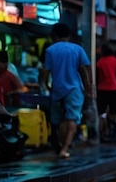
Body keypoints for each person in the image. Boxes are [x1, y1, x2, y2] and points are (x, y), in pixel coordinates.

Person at [39, 23, 91, 159]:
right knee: (72, 118)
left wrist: (44, 85)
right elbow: (85, 69)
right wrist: (88, 87)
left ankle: (63, 145)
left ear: (54, 35)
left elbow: (46, 71)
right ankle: (65, 148)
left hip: (57, 89)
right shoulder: (78, 49)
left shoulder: (50, 50)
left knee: (61, 120)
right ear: (68, 35)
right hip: (74, 89)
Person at [95, 44, 116, 140]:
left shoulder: (99, 62)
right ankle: (113, 131)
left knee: (101, 112)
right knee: (115, 111)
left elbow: (97, 77)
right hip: (115, 89)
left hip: (102, 89)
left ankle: (102, 132)